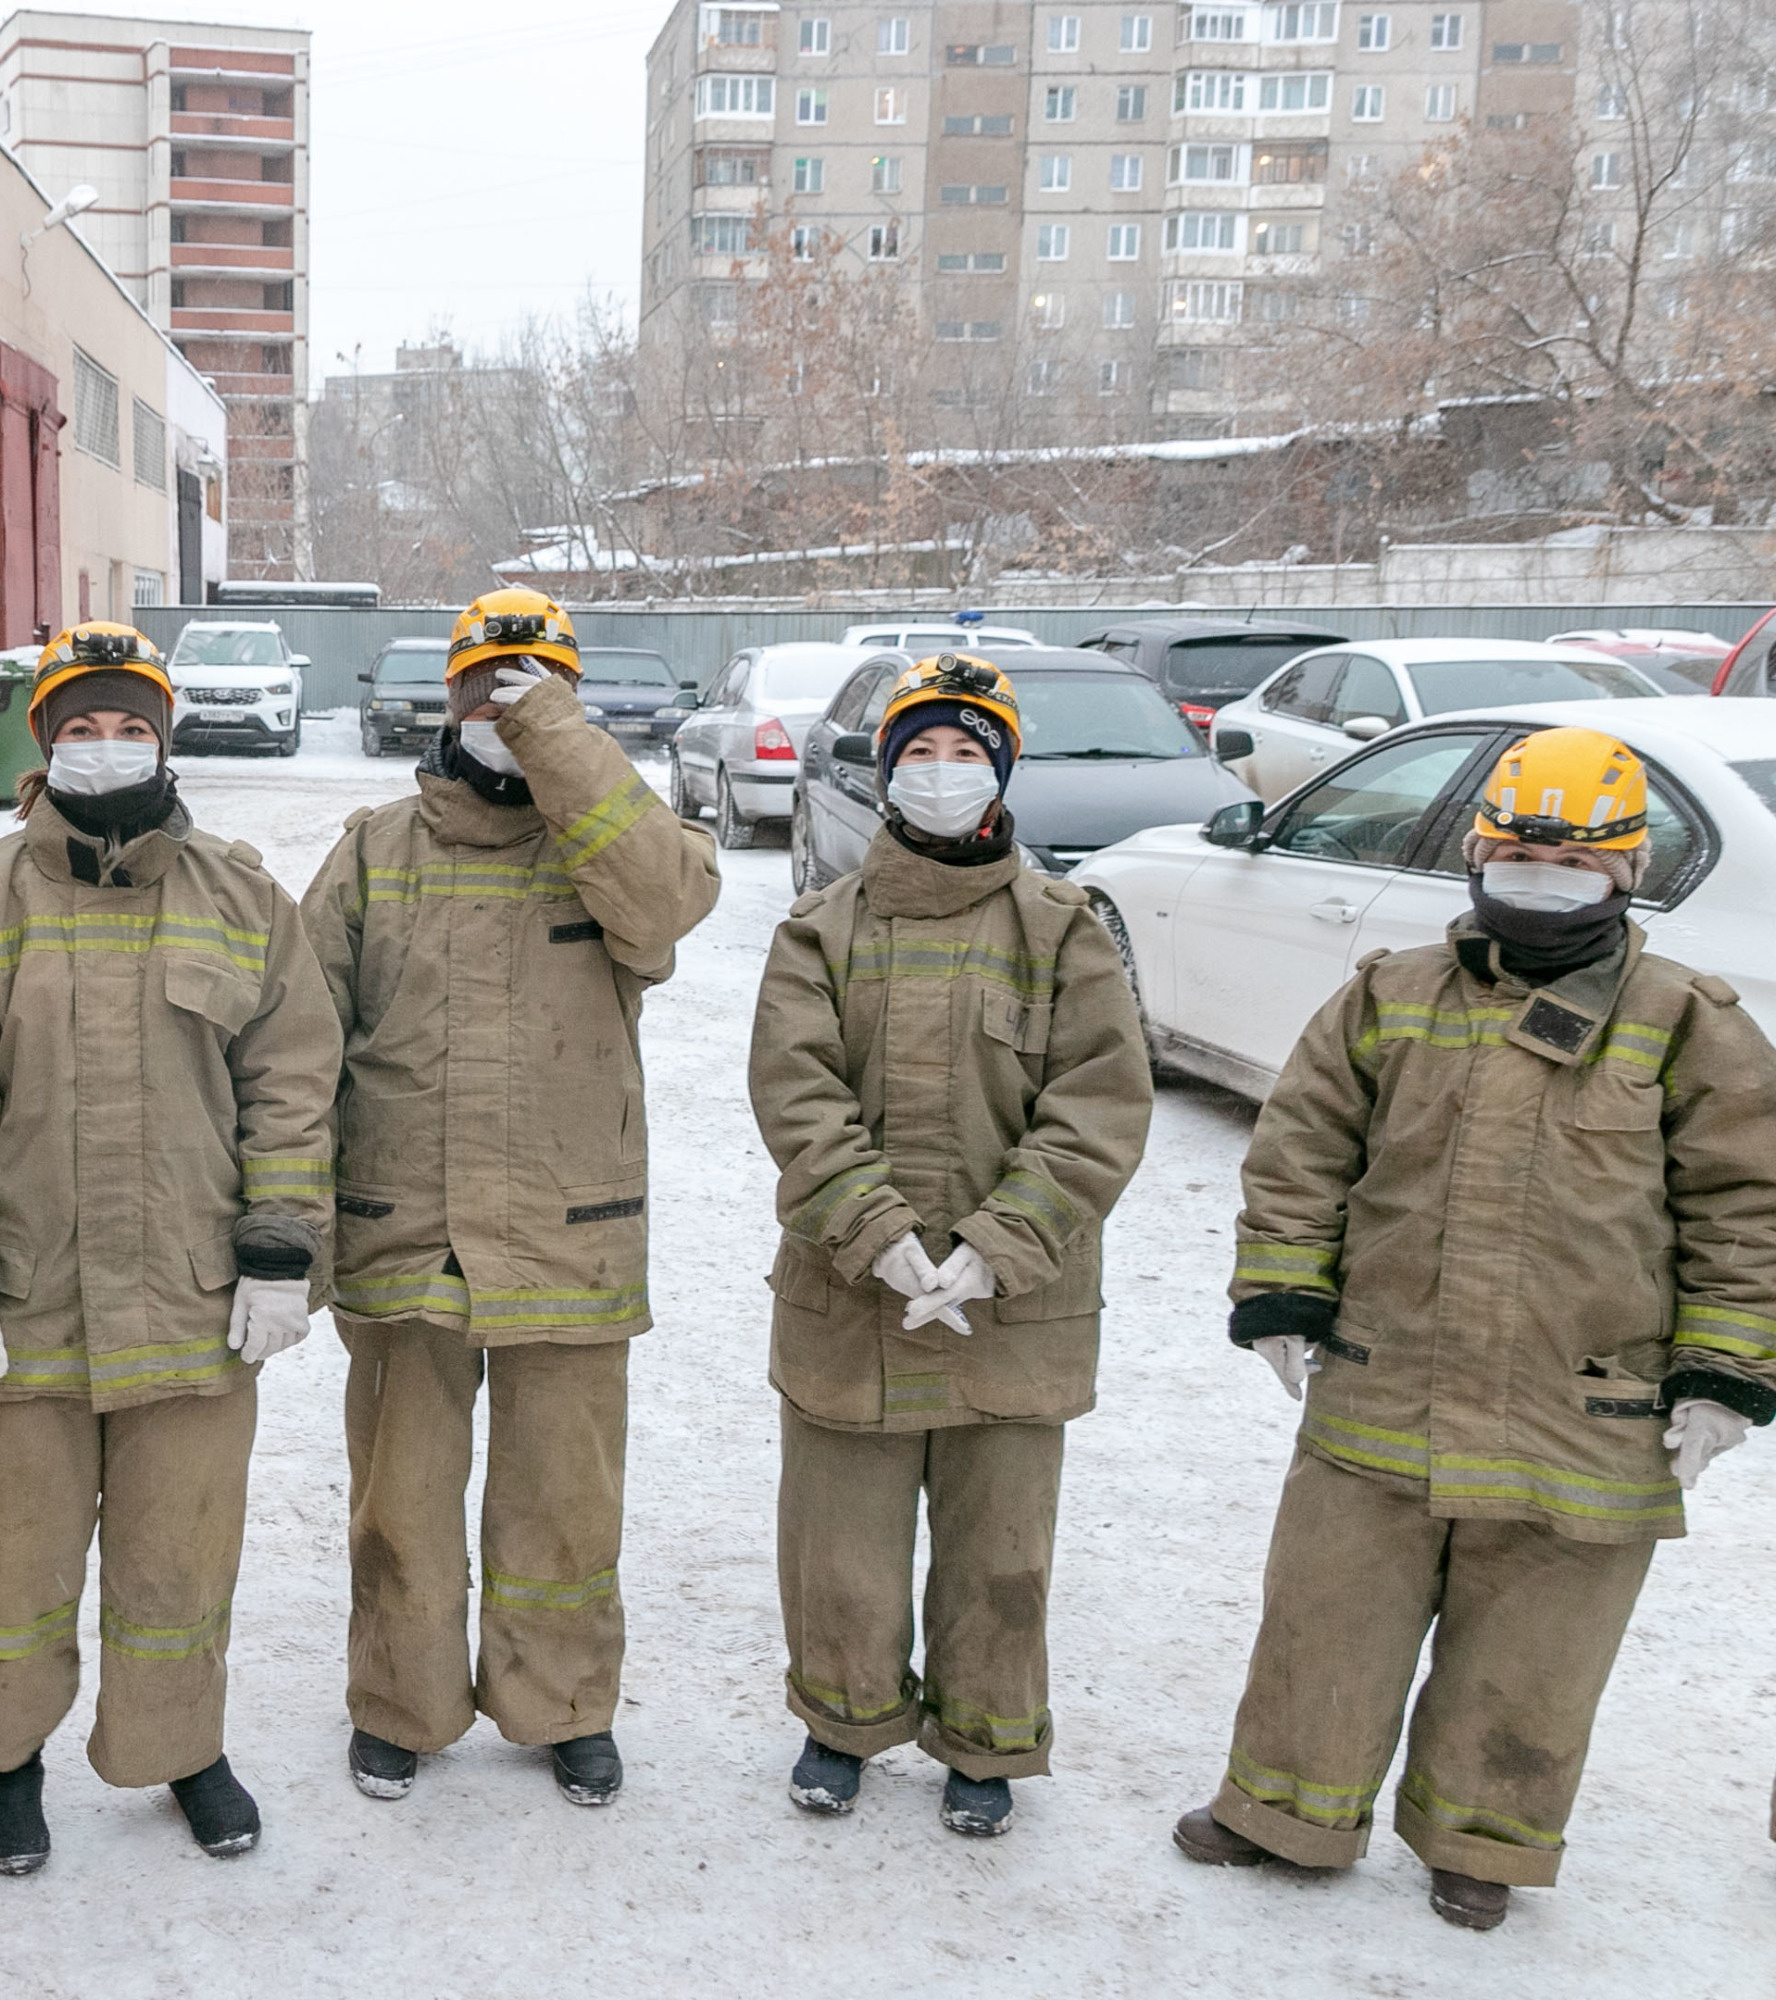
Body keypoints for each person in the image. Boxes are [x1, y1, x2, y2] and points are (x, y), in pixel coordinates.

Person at [1173, 724, 1776, 1930]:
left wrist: (1723, 1367)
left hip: (1588, 1401)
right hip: (1388, 1375)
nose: (1542, 882)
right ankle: (1288, 1807)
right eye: (1518, 858)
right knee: (1330, 1606)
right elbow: (1300, 1150)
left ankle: (1482, 1839)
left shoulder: (1686, 1020)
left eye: (1574, 865)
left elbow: (1746, 1203)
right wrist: (1285, 1290)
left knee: (1538, 1642)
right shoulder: (1389, 993)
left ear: (1626, 872)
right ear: (1478, 860)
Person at [0, 622, 340, 1872]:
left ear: (163, 737)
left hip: (193, 1303)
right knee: (15, 1556)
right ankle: (8, 1759)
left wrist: (279, 1246)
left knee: (180, 1553)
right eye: (78, 728)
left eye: (127, 725)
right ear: (43, 745)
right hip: (21, 1306)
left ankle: (182, 1746)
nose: (105, 748)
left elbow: (294, 1085)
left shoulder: (243, 897)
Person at [307, 588, 720, 1809]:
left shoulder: (610, 848)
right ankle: (401, 1700)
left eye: (532, 685)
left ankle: (563, 1704)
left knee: (566, 1501)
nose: (502, 705)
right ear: (446, 699)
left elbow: (671, 906)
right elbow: (297, 1042)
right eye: (485, 686)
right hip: (404, 1228)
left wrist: (562, 746)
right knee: (404, 1499)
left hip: (566, 1228)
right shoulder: (374, 850)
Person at [748, 654, 1152, 1839]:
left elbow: (1099, 1103)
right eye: (917, 754)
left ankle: (985, 1737)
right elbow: (796, 1091)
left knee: (1000, 1548)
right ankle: (844, 1715)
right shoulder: (819, 930)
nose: (939, 775)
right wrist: (872, 1230)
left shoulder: (1066, 931)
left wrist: (999, 1241)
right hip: (850, 1290)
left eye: (964, 753)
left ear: (1001, 772)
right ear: (884, 776)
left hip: (1012, 1303)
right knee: (841, 1539)